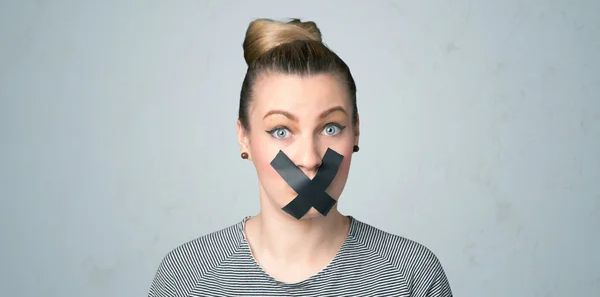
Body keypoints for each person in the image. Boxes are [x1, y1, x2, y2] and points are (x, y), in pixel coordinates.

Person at [148, 18, 453, 296]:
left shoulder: (411, 276)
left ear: (356, 132)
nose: (310, 159)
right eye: (281, 131)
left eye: (331, 128)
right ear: (245, 137)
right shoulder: (187, 278)